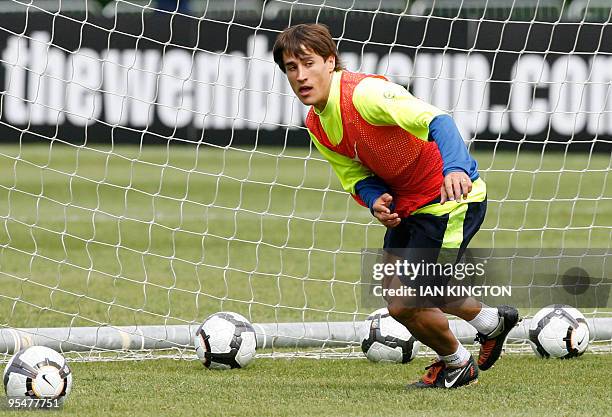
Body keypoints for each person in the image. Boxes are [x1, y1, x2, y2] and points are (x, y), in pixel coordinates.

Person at [273, 23, 520, 389]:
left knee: (410, 298)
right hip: (406, 208)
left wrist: (453, 169)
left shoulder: (366, 94)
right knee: (398, 296)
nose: (301, 76)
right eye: (291, 68)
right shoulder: (316, 123)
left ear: (330, 61)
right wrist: (375, 201)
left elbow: (439, 120)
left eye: (308, 63)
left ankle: (457, 363)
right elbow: (354, 175)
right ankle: (488, 324)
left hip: (446, 201)